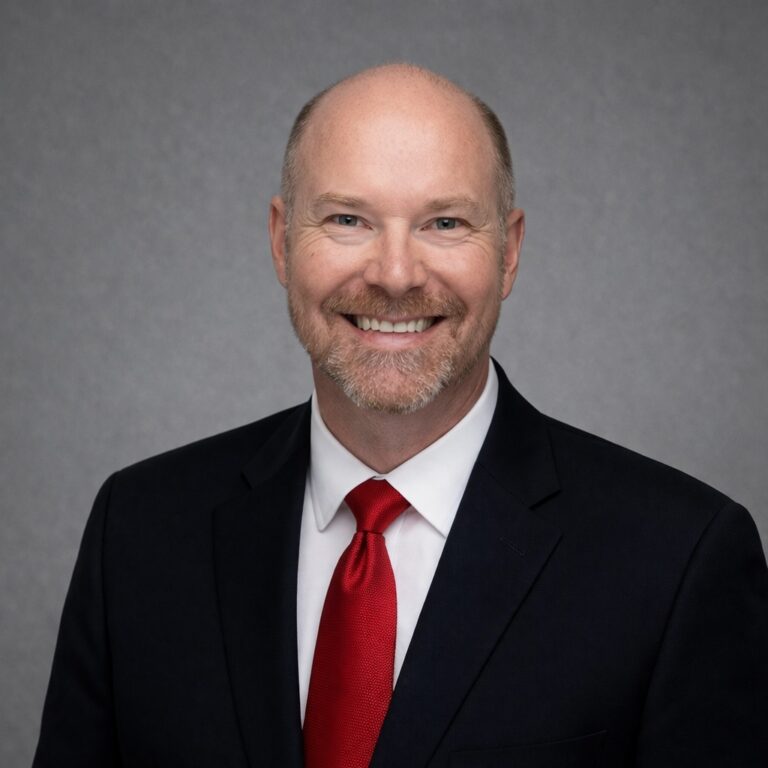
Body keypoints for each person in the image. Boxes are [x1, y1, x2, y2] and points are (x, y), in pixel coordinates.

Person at [33, 63, 768, 767]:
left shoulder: (678, 559)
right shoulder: (138, 531)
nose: (393, 274)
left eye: (444, 223)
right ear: (281, 242)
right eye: (348, 218)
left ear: (508, 253)